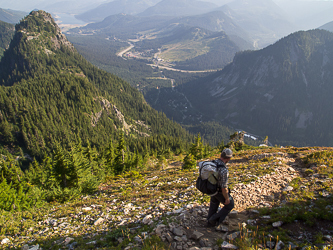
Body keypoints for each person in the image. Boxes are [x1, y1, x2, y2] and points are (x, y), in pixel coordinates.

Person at [206, 148, 234, 228]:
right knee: (230, 205)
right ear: (228, 158)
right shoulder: (223, 170)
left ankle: (209, 223)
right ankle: (214, 220)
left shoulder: (213, 163)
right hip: (218, 191)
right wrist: (227, 198)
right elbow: (223, 187)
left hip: (211, 189)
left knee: (214, 204)